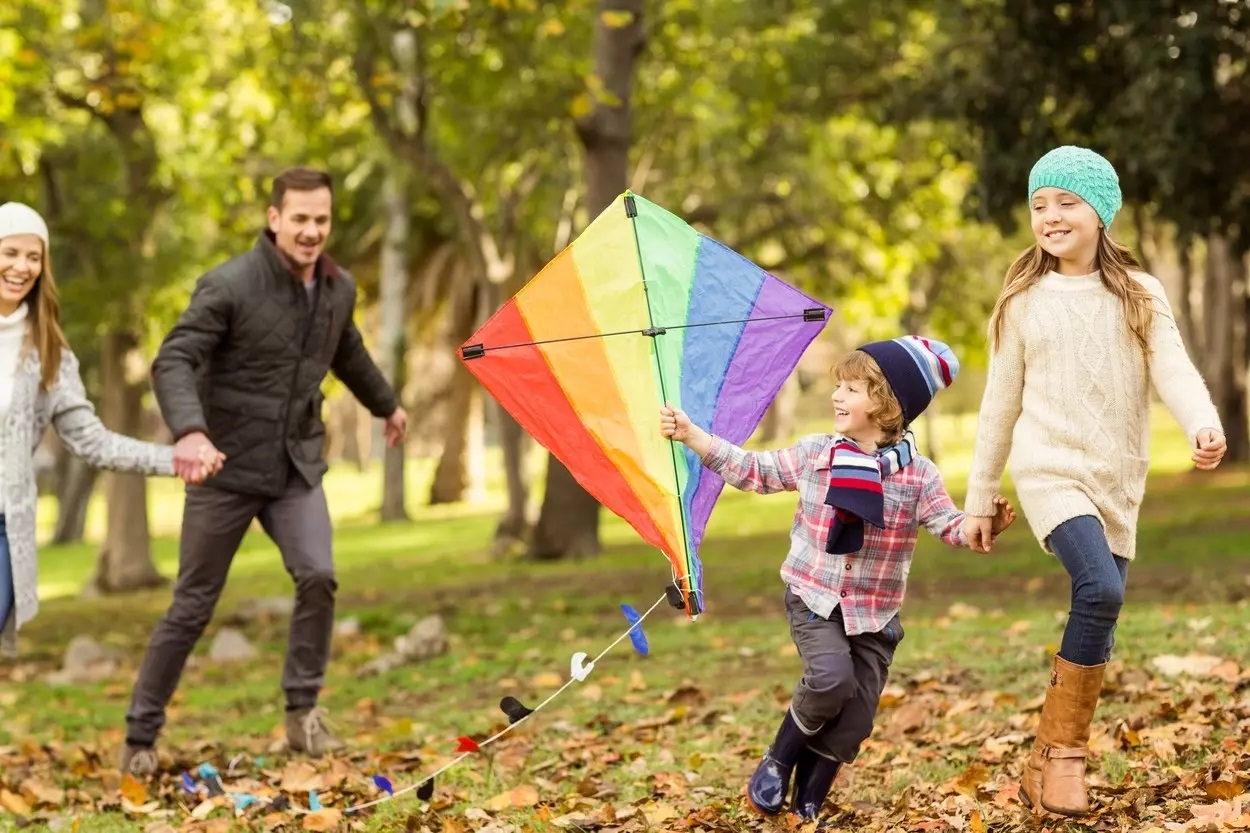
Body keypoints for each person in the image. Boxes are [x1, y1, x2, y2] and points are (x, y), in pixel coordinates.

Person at [961, 146, 1227, 818]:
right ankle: (1064, 759)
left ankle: (1042, 764)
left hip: (1117, 475)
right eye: (1039, 204)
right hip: (1049, 468)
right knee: (1100, 588)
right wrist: (978, 496)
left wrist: (1201, 421)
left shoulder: (1140, 292)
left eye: (1066, 202)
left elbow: (1172, 365)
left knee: (1101, 617)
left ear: (1101, 213)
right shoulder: (1023, 301)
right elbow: (998, 403)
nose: (1050, 216)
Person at [120, 167, 408, 775]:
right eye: (299, 218)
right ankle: (140, 738)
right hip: (223, 469)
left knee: (319, 575)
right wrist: (191, 431)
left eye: (321, 220)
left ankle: (303, 713)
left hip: (294, 467)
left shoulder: (336, 288)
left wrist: (388, 405)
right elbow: (174, 358)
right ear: (274, 218)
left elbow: (347, 350)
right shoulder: (228, 285)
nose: (311, 231)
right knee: (192, 607)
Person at [660, 335, 1016, 821]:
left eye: (852, 388)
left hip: (875, 614)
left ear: (888, 403)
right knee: (830, 679)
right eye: (839, 386)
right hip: (815, 597)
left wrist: (984, 524)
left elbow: (950, 526)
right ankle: (778, 759)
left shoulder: (919, 477)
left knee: (857, 718)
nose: (837, 396)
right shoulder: (817, 455)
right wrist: (692, 434)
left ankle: (810, 794)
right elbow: (753, 470)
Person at [0, 201, 220, 658]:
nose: (22, 266)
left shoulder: (49, 352)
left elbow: (92, 442)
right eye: (10, 253)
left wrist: (172, 458)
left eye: (33, 256)